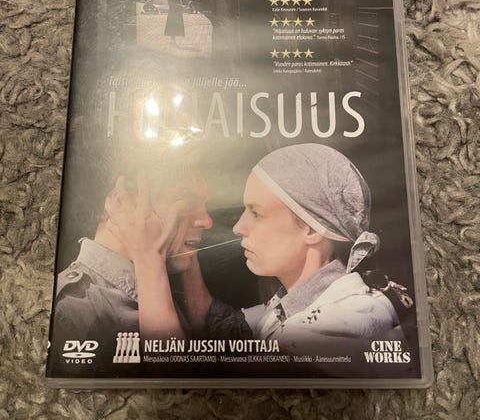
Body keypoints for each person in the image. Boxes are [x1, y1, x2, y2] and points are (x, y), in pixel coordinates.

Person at [110, 144, 411, 357]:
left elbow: (184, 392)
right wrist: (187, 253)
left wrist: (148, 260)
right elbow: (221, 325)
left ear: (311, 229)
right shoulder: (293, 304)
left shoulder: (347, 322)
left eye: (256, 213)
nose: (238, 227)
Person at [50, 156, 213, 367]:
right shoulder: (73, 309)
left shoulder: (166, 283)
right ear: (121, 202)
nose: (207, 221)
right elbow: (173, 385)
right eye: (186, 203)